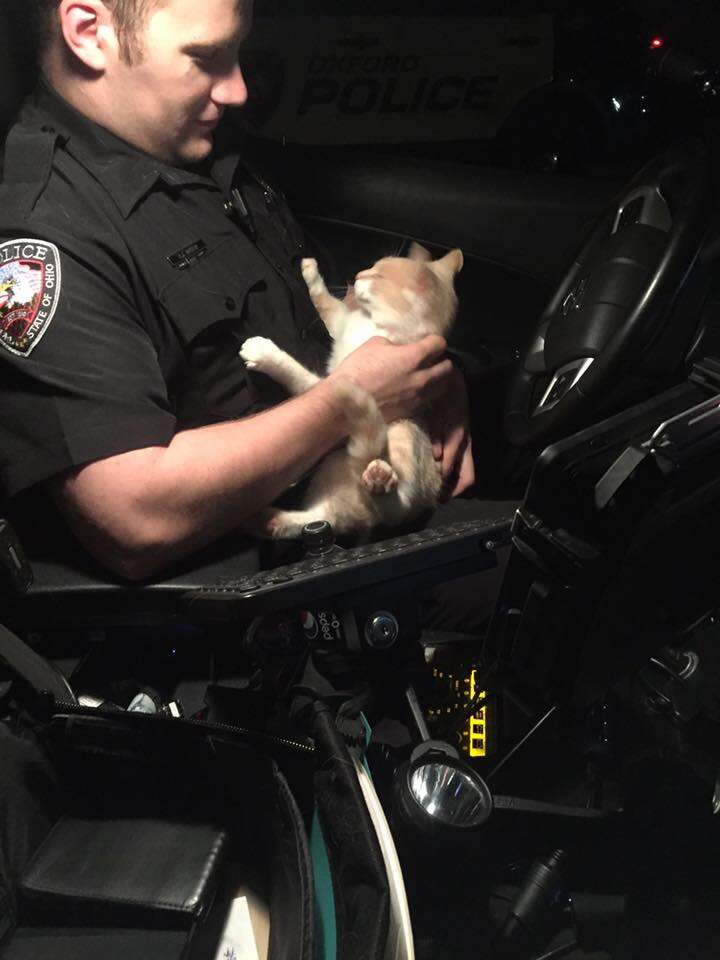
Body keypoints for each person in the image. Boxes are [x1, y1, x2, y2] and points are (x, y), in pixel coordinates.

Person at [0, 0, 513, 628]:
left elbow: (338, 308)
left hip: (359, 496)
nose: (238, 88)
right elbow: (134, 517)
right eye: (207, 57)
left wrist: (425, 373)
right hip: (263, 596)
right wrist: (351, 400)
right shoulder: (46, 232)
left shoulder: (202, 152)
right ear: (89, 32)